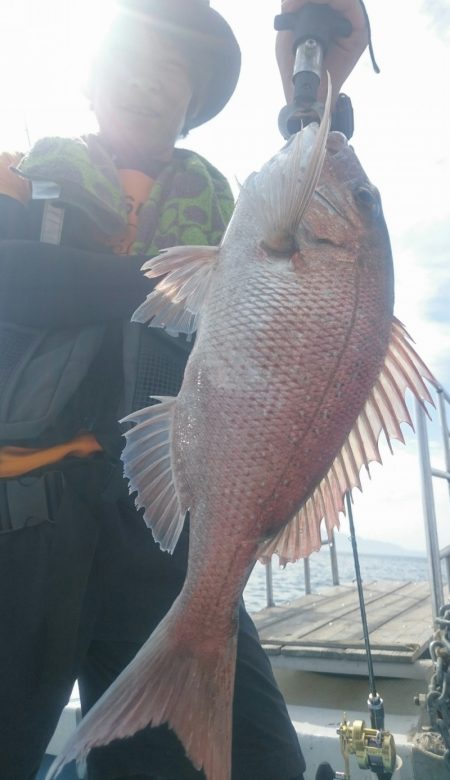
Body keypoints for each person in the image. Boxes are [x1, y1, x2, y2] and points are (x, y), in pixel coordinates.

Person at [0, 1, 368, 779]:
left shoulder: (229, 219)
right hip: (20, 522)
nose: (150, 80)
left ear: (193, 106)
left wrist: (318, 86)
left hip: (160, 532)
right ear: (89, 79)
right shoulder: (20, 177)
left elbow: (320, 258)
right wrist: (173, 278)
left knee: (258, 765)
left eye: (174, 72)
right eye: (132, 59)